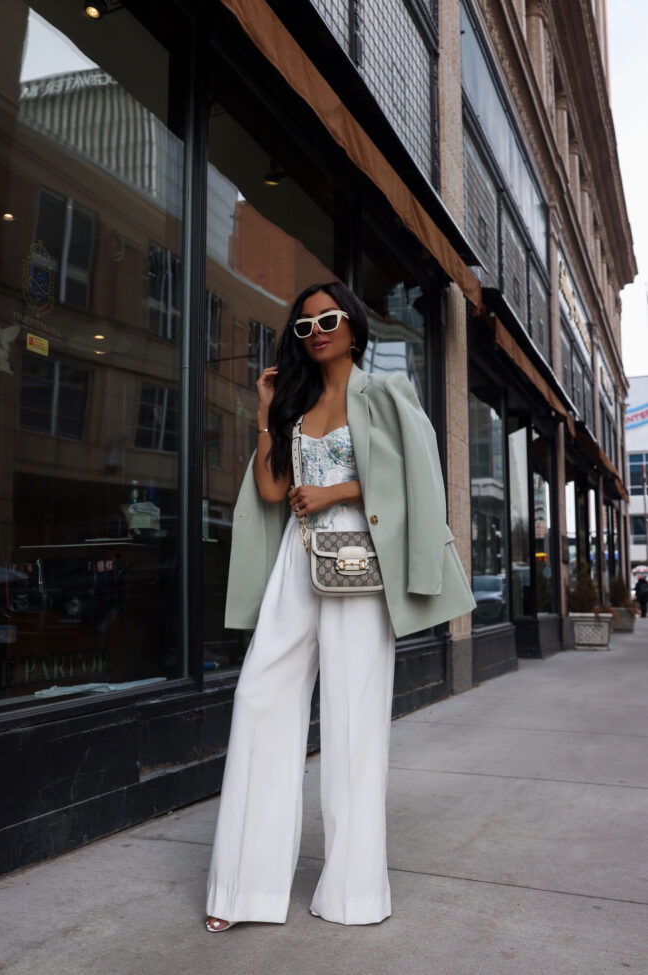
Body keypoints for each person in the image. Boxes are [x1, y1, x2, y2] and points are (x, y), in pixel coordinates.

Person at [205, 281, 474, 932]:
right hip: (298, 561)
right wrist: (267, 406)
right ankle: (242, 889)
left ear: (353, 326)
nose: (317, 330)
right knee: (260, 698)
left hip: (360, 561)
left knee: (355, 723)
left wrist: (335, 493)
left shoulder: (386, 394)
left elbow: (417, 478)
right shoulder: (293, 401)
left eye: (328, 319)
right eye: (304, 325)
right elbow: (273, 488)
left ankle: (353, 892)